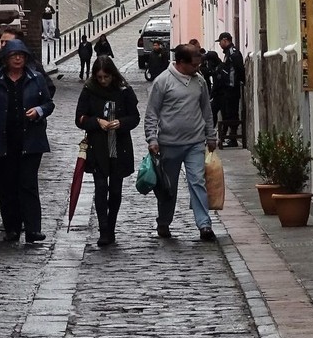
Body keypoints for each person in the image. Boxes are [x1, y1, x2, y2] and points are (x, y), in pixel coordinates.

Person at [0, 38, 55, 244]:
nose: (18, 58)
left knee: (28, 185)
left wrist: (38, 111)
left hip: (30, 141)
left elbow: (48, 103)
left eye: (21, 55)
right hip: (3, 141)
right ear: (6, 59)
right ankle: (11, 228)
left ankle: (33, 229)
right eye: (13, 55)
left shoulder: (36, 78)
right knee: (7, 186)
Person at [144, 44, 219, 242]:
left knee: (197, 182)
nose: (198, 68)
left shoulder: (199, 82)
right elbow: (152, 113)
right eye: (194, 65)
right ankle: (164, 222)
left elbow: (206, 111)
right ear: (181, 62)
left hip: (195, 142)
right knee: (169, 187)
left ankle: (204, 225)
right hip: (169, 144)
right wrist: (152, 139)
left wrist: (210, 135)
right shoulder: (163, 82)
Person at [75, 53, 141, 246]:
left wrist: (120, 123)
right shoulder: (89, 90)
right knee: (101, 187)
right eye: (100, 77)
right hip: (98, 147)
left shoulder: (124, 91)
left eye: (106, 77)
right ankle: (103, 229)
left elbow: (135, 117)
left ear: (113, 75)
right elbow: (80, 118)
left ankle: (111, 226)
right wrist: (97, 122)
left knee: (116, 190)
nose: (103, 81)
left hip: (119, 146)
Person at [217, 32, 246, 147]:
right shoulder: (228, 53)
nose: (219, 44)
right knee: (228, 112)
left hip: (232, 88)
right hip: (227, 88)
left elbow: (239, 69)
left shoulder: (233, 53)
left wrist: (241, 81)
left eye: (220, 42)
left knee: (232, 113)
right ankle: (230, 136)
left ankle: (233, 137)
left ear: (225, 40)